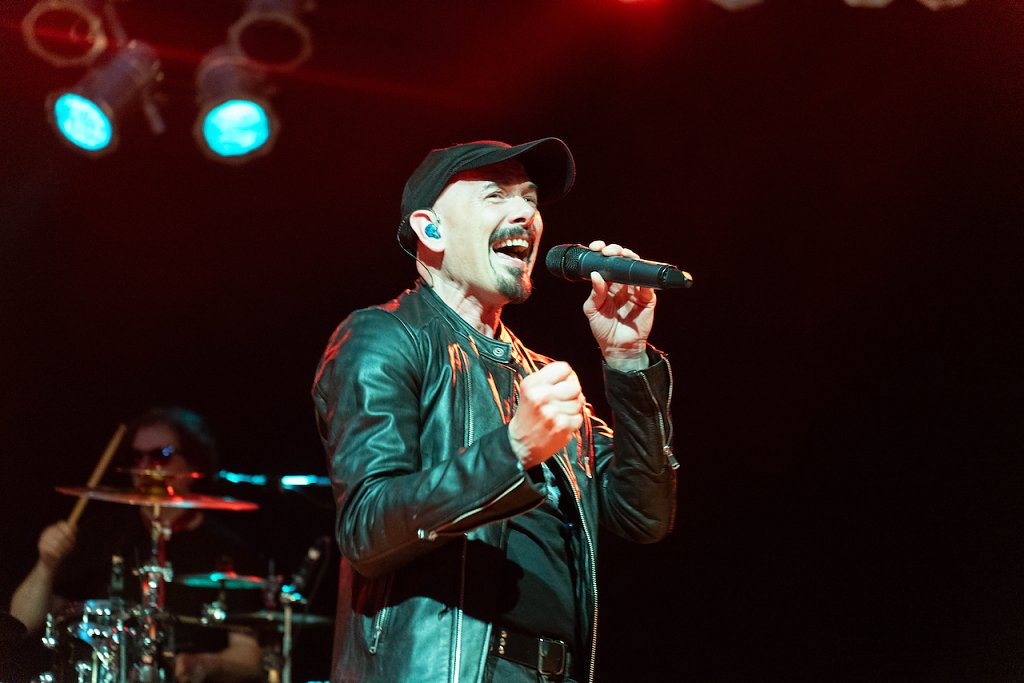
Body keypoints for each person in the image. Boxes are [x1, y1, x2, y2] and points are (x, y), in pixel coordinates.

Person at [311, 138, 678, 683]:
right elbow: (367, 528)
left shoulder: (539, 376)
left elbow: (643, 516)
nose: (525, 213)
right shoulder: (386, 336)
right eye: (495, 196)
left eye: (530, 199)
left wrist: (627, 361)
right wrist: (513, 450)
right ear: (431, 230)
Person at [9, 407, 264, 682]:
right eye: (137, 457)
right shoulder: (101, 531)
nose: (145, 467)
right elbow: (22, 622)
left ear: (194, 462)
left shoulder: (226, 547)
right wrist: (46, 564)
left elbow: (248, 657)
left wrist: (204, 664)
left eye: (160, 456)